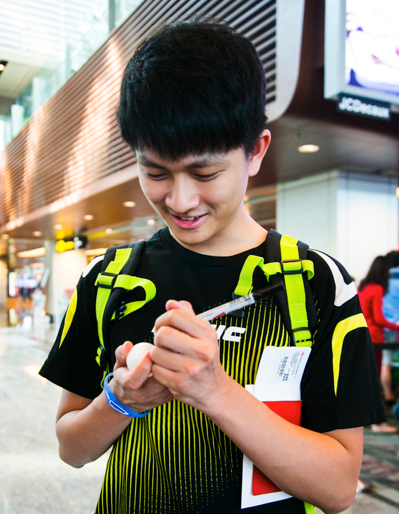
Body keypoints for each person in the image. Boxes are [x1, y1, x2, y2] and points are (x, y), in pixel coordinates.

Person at [39, 18, 386, 514]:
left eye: (205, 172)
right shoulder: (108, 279)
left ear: (256, 152)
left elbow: (338, 489)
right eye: (155, 171)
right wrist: (120, 402)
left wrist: (216, 391)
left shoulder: (316, 283)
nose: (180, 199)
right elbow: (71, 448)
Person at [358, 255, 399, 433]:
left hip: (363, 334)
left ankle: (365, 419)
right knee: (374, 380)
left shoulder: (364, 286)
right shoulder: (377, 289)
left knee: (366, 379)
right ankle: (378, 423)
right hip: (375, 337)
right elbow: (379, 318)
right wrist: (396, 326)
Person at [381, 251, 399, 405]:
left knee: (385, 362)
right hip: (396, 326)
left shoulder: (383, 280)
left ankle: (388, 395)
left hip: (384, 327)